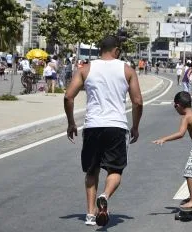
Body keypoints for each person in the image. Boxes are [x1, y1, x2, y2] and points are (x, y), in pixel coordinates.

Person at [64, 35, 143, 227]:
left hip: (92, 126)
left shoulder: (85, 69)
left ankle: (90, 214)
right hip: (116, 126)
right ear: (116, 50)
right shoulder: (127, 70)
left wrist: (71, 123)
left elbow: (68, 96)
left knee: (92, 170)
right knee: (115, 170)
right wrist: (135, 126)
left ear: (100, 49)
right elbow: (138, 101)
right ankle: (105, 195)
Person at [152, 91, 192, 209]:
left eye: (175, 106)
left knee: (190, 173)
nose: (175, 109)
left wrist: (164, 139)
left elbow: (181, 134)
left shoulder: (186, 117)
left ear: (178, 105)